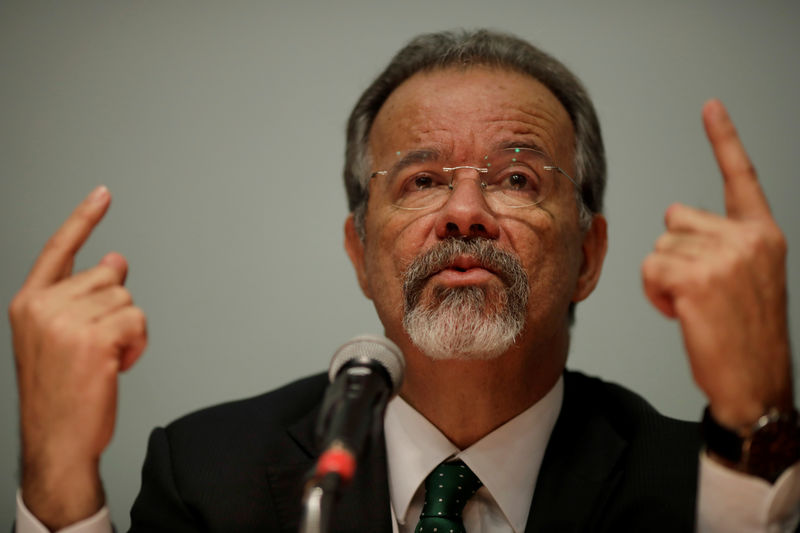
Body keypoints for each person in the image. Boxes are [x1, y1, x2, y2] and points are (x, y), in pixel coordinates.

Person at [10, 29, 800, 532]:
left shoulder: (702, 487)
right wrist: (58, 482)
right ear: (359, 253)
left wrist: (758, 416)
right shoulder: (212, 476)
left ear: (588, 258)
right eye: (421, 181)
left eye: (518, 179)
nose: (465, 213)